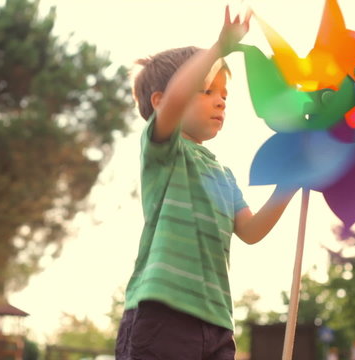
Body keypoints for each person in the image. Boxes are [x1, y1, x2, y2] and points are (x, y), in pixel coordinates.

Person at [115, 6, 297, 360]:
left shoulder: (223, 175)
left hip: (216, 321)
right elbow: (177, 97)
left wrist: (291, 181)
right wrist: (218, 48)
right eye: (207, 90)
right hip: (163, 314)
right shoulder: (163, 151)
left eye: (225, 95)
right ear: (160, 102)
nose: (220, 100)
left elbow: (251, 230)